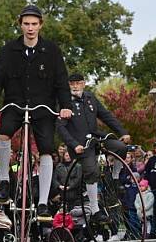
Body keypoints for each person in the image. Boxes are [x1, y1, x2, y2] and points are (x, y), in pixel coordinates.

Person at [0, 4, 72, 220]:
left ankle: (42, 202)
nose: (30, 28)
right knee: (4, 132)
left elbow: (61, 81)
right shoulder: (9, 50)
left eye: (34, 24)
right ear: (20, 25)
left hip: (43, 107)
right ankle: (4, 179)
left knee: (46, 149)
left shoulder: (51, 50)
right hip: (15, 103)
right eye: (26, 24)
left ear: (40, 25)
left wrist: (65, 106)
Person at [56, 73, 130, 223]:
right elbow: (60, 128)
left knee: (121, 147)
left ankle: (115, 178)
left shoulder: (90, 98)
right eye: (72, 84)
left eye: (78, 83)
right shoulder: (64, 102)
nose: (75, 86)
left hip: (96, 138)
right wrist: (73, 144)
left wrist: (122, 132)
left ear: (84, 84)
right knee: (92, 170)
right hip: (81, 145)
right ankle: (96, 211)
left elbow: (106, 115)